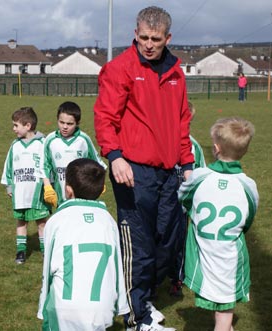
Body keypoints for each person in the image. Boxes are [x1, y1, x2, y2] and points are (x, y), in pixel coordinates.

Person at [93, 6, 194, 331]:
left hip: (169, 173)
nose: (149, 44)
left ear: (168, 38)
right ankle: (137, 318)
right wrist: (115, 155)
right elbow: (105, 117)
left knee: (166, 241)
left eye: (156, 39)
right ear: (135, 34)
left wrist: (188, 163)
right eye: (143, 37)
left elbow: (181, 122)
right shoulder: (119, 68)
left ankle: (144, 298)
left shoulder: (176, 73)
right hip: (132, 170)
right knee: (139, 245)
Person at [179, 117, 258, 331]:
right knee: (224, 308)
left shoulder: (199, 176)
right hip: (230, 254)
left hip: (204, 252)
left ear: (215, 148)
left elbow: (183, 196)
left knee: (222, 314)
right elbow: (249, 217)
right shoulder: (248, 185)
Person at [37, 158, 129, 330]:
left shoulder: (56, 221)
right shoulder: (108, 221)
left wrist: (43, 308)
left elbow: (48, 267)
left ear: (68, 189)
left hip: (65, 307)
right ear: (102, 189)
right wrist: (121, 305)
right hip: (102, 307)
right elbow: (116, 265)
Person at [1, 107, 50, 264]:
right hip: (20, 192)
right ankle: (21, 252)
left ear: (27, 126)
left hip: (38, 193)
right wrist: (9, 186)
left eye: (16, 125)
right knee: (21, 222)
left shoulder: (43, 144)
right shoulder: (15, 146)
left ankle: (45, 251)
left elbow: (49, 166)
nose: (13, 129)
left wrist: (49, 186)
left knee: (42, 223)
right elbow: (8, 167)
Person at [169, 101, 206, 298]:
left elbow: (201, 177)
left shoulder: (195, 147)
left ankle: (177, 278)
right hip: (161, 203)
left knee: (180, 242)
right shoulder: (162, 141)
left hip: (182, 207)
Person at [41, 101, 106, 208]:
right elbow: (44, 165)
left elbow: (97, 163)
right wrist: (47, 187)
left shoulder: (83, 140)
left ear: (77, 123)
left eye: (69, 124)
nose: (65, 127)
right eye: (61, 122)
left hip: (82, 197)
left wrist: (100, 182)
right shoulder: (50, 139)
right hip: (60, 198)